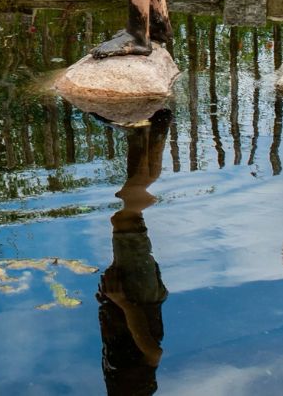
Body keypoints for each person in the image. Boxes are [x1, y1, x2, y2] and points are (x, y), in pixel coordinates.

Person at [97, 110, 170, 395]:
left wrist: (109, 304)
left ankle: (143, 132)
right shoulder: (135, 381)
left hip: (135, 295)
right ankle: (157, 130)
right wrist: (123, 302)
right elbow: (153, 354)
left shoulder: (121, 379)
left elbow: (120, 338)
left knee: (130, 216)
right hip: (139, 294)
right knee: (129, 214)